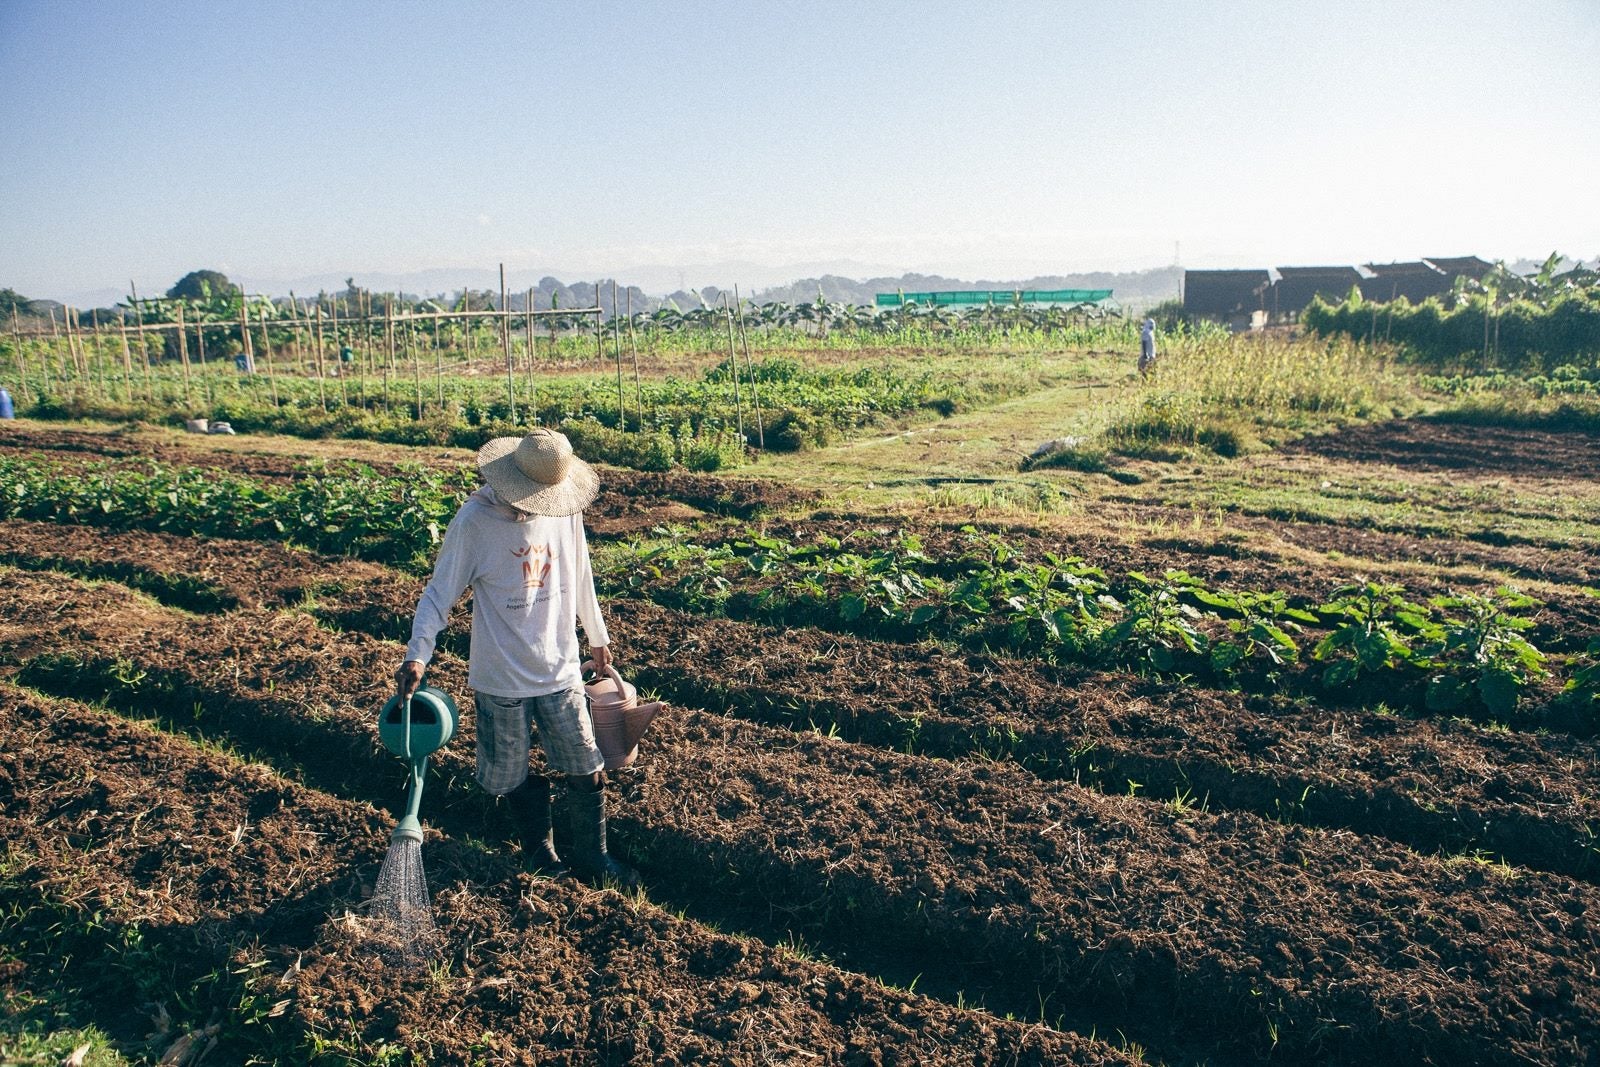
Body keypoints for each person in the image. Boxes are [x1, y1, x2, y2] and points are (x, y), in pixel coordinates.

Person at [393, 428, 638, 889]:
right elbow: (438, 595)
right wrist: (416, 655)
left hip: (560, 667)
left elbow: (580, 571)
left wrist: (597, 634)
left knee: (587, 767)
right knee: (508, 777)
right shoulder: (474, 522)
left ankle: (594, 857)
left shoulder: (563, 511)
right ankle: (541, 853)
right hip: (501, 677)